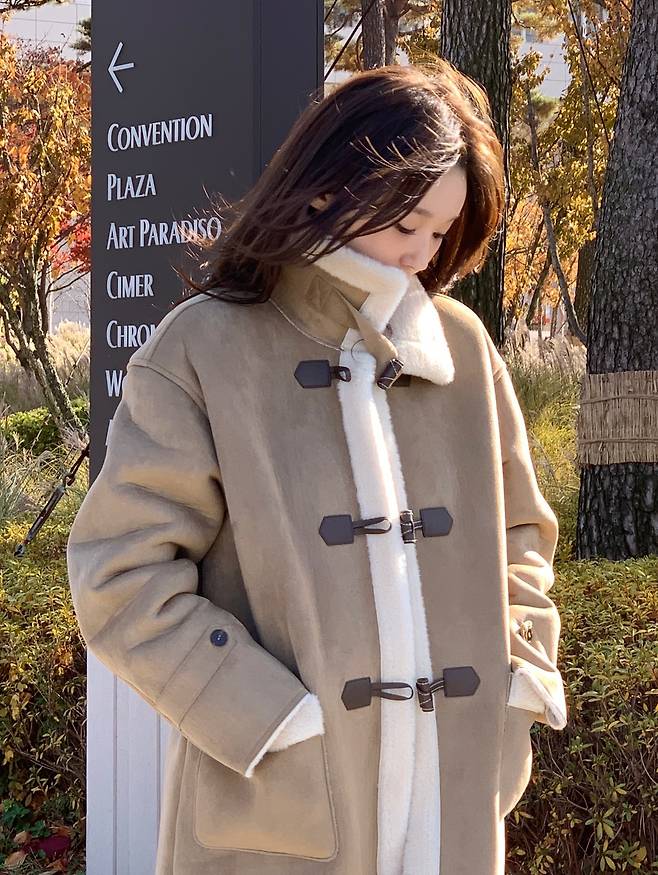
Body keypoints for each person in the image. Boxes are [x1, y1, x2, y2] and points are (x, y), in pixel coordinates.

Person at [66, 60, 568, 875]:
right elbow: (119, 572)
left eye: (441, 232)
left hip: (452, 801)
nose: (422, 253)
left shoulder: (462, 350)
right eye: (408, 224)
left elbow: (522, 539)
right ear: (329, 188)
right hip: (276, 812)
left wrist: (519, 675)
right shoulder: (205, 348)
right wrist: (267, 716)